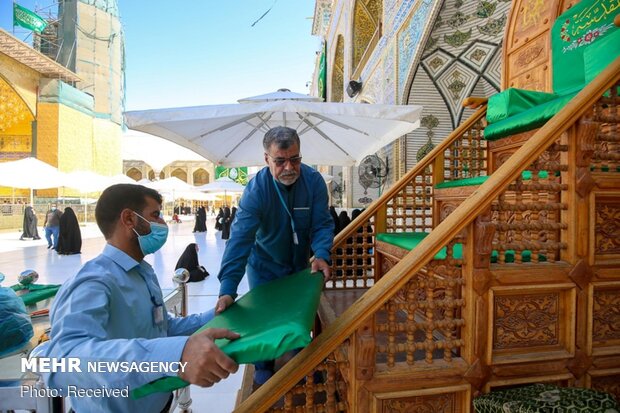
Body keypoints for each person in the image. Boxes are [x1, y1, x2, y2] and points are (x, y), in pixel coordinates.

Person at [41, 184, 239, 412]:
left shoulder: (142, 272)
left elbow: (160, 329)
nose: (162, 224)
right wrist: (174, 355)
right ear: (129, 219)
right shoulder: (94, 282)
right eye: (155, 215)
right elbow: (64, 362)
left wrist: (213, 316)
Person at [215, 126, 334, 385]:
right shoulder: (256, 190)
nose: (289, 167)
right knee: (263, 317)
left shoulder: (313, 182)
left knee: (298, 311)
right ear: (266, 159)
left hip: (298, 264)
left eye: (295, 159)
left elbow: (322, 224)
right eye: (280, 161)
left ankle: (301, 354)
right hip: (263, 265)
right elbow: (240, 239)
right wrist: (227, 288)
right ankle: (264, 364)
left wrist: (322, 253)